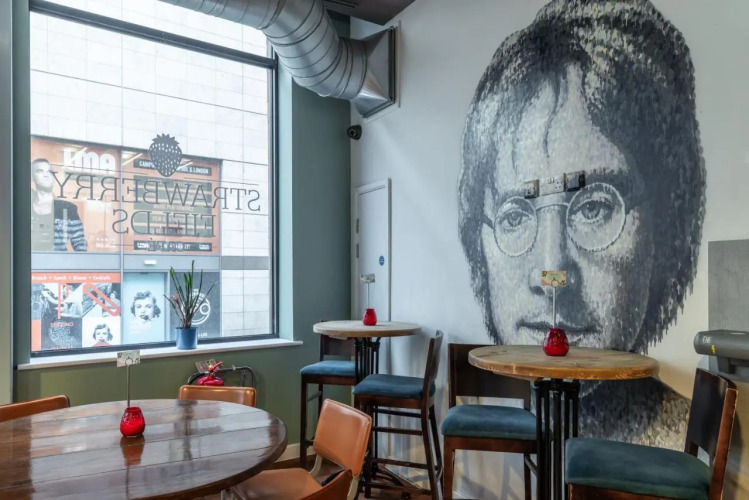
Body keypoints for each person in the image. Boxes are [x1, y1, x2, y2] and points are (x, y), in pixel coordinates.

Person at [458, 0, 704, 449]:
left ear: (667, 228)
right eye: (514, 215)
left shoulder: (680, 437)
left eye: (594, 208)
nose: (552, 271)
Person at [31, 158, 87, 251]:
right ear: (32, 176)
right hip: (29, 259)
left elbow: (80, 244)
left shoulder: (68, 208)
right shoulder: (25, 207)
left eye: (50, 172)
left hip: (58, 259)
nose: (46, 175)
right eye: (40, 171)